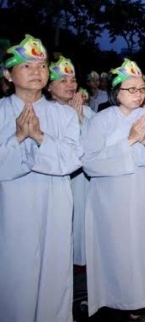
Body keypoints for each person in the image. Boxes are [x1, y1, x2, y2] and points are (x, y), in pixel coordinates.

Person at [82, 58, 145, 320]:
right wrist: (130, 141)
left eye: (141, 89)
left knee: (144, 249)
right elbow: (90, 162)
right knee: (118, 250)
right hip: (114, 200)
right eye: (131, 89)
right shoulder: (101, 119)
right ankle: (116, 306)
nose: (138, 94)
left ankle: (141, 303)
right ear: (116, 92)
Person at [0, 35, 83, 322]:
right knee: (14, 273)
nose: (37, 71)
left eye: (42, 65)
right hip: (12, 208)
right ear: (8, 74)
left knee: (54, 271)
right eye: (27, 66)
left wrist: (39, 137)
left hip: (55, 203)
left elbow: (72, 159)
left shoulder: (64, 115)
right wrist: (18, 138)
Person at [47, 56, 94, 268]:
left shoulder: (88, 110)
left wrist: (81, 118)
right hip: (58, 178)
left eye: (73, 80)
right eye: (63, 81)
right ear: (49, 86)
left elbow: (95, 143)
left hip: (85, 178)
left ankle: (82, 260)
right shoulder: (45, 111)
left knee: (83, 218)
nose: (70, 85)